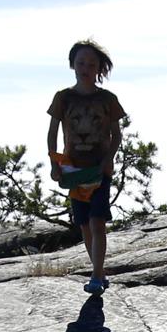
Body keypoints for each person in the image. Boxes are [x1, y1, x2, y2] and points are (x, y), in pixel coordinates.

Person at [46, 41, 129, 292]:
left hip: (99, 169)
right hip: (73, 170)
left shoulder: (108, 99)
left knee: (97, 221)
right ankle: (99, 272)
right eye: (81, 62)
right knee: (83, 224)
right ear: (72, 64)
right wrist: (54, 162)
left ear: (99, 68)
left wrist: (108, 159)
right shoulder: (63, 97)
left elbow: (117, 134)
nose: (86, 67)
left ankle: (95, 276)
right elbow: (51, 133)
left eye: (91, 64)